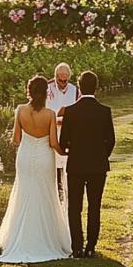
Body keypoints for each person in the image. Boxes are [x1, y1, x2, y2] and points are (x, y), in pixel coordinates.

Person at [0, 75, 73, 264]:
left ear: (28, 91)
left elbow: (16, 140)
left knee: (24, 193)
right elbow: (53, 142)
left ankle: (19, 237)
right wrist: (65, 152)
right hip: (45, 158)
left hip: (25, 157)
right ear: (46, 93)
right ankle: (45, 238)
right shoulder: (50, 114)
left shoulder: (20, 110)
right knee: (46, 194)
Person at [57, 71, 116, 259]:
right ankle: (91, 247)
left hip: (75, 165)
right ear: (96, 88)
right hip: (98, 166)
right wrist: (102, 155)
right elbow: (111, 140)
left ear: (79, 87)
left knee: (74, 207)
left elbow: (63, 141)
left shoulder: (70, 111)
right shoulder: (104, 111)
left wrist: (71, 151)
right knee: (94, 206)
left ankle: (77, 248)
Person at [44, 62, 78, 200]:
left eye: (65, 80)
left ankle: (65, 191)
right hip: (49, 130)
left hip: (67, 131)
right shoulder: (47, 88)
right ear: (55, 76)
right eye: (60, 80)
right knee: (51, 161)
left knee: (65, 161)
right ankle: (54, 192)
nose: (63, 83)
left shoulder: (75, 90)